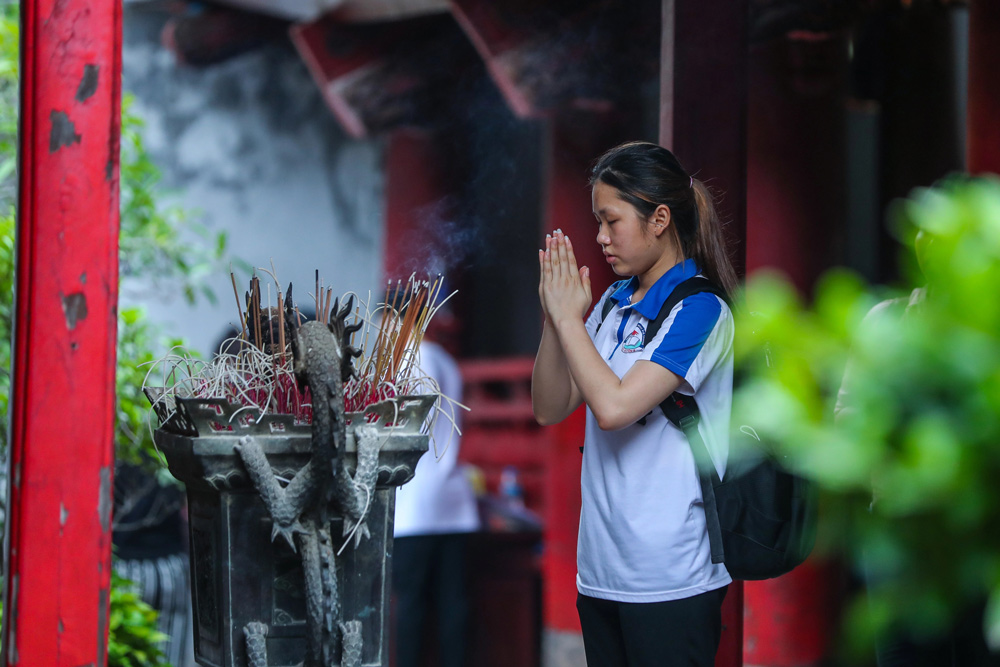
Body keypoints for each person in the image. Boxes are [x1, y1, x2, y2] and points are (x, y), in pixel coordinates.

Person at [531, 141, 739, 667]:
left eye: (611, 221)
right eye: (597, 222)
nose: (600, 238)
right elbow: (550, 406)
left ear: (659, 219)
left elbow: (615, 407)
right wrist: (559, 322)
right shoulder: (612, 303)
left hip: (671, 578)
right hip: (600, 571)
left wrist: (571, 321)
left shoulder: (701, 309)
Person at [392, 305, 481, 667]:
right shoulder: (444, 359)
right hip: (453, 501)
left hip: (414, 504)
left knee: (410, 606)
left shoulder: (406, 362)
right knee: (453, 605)